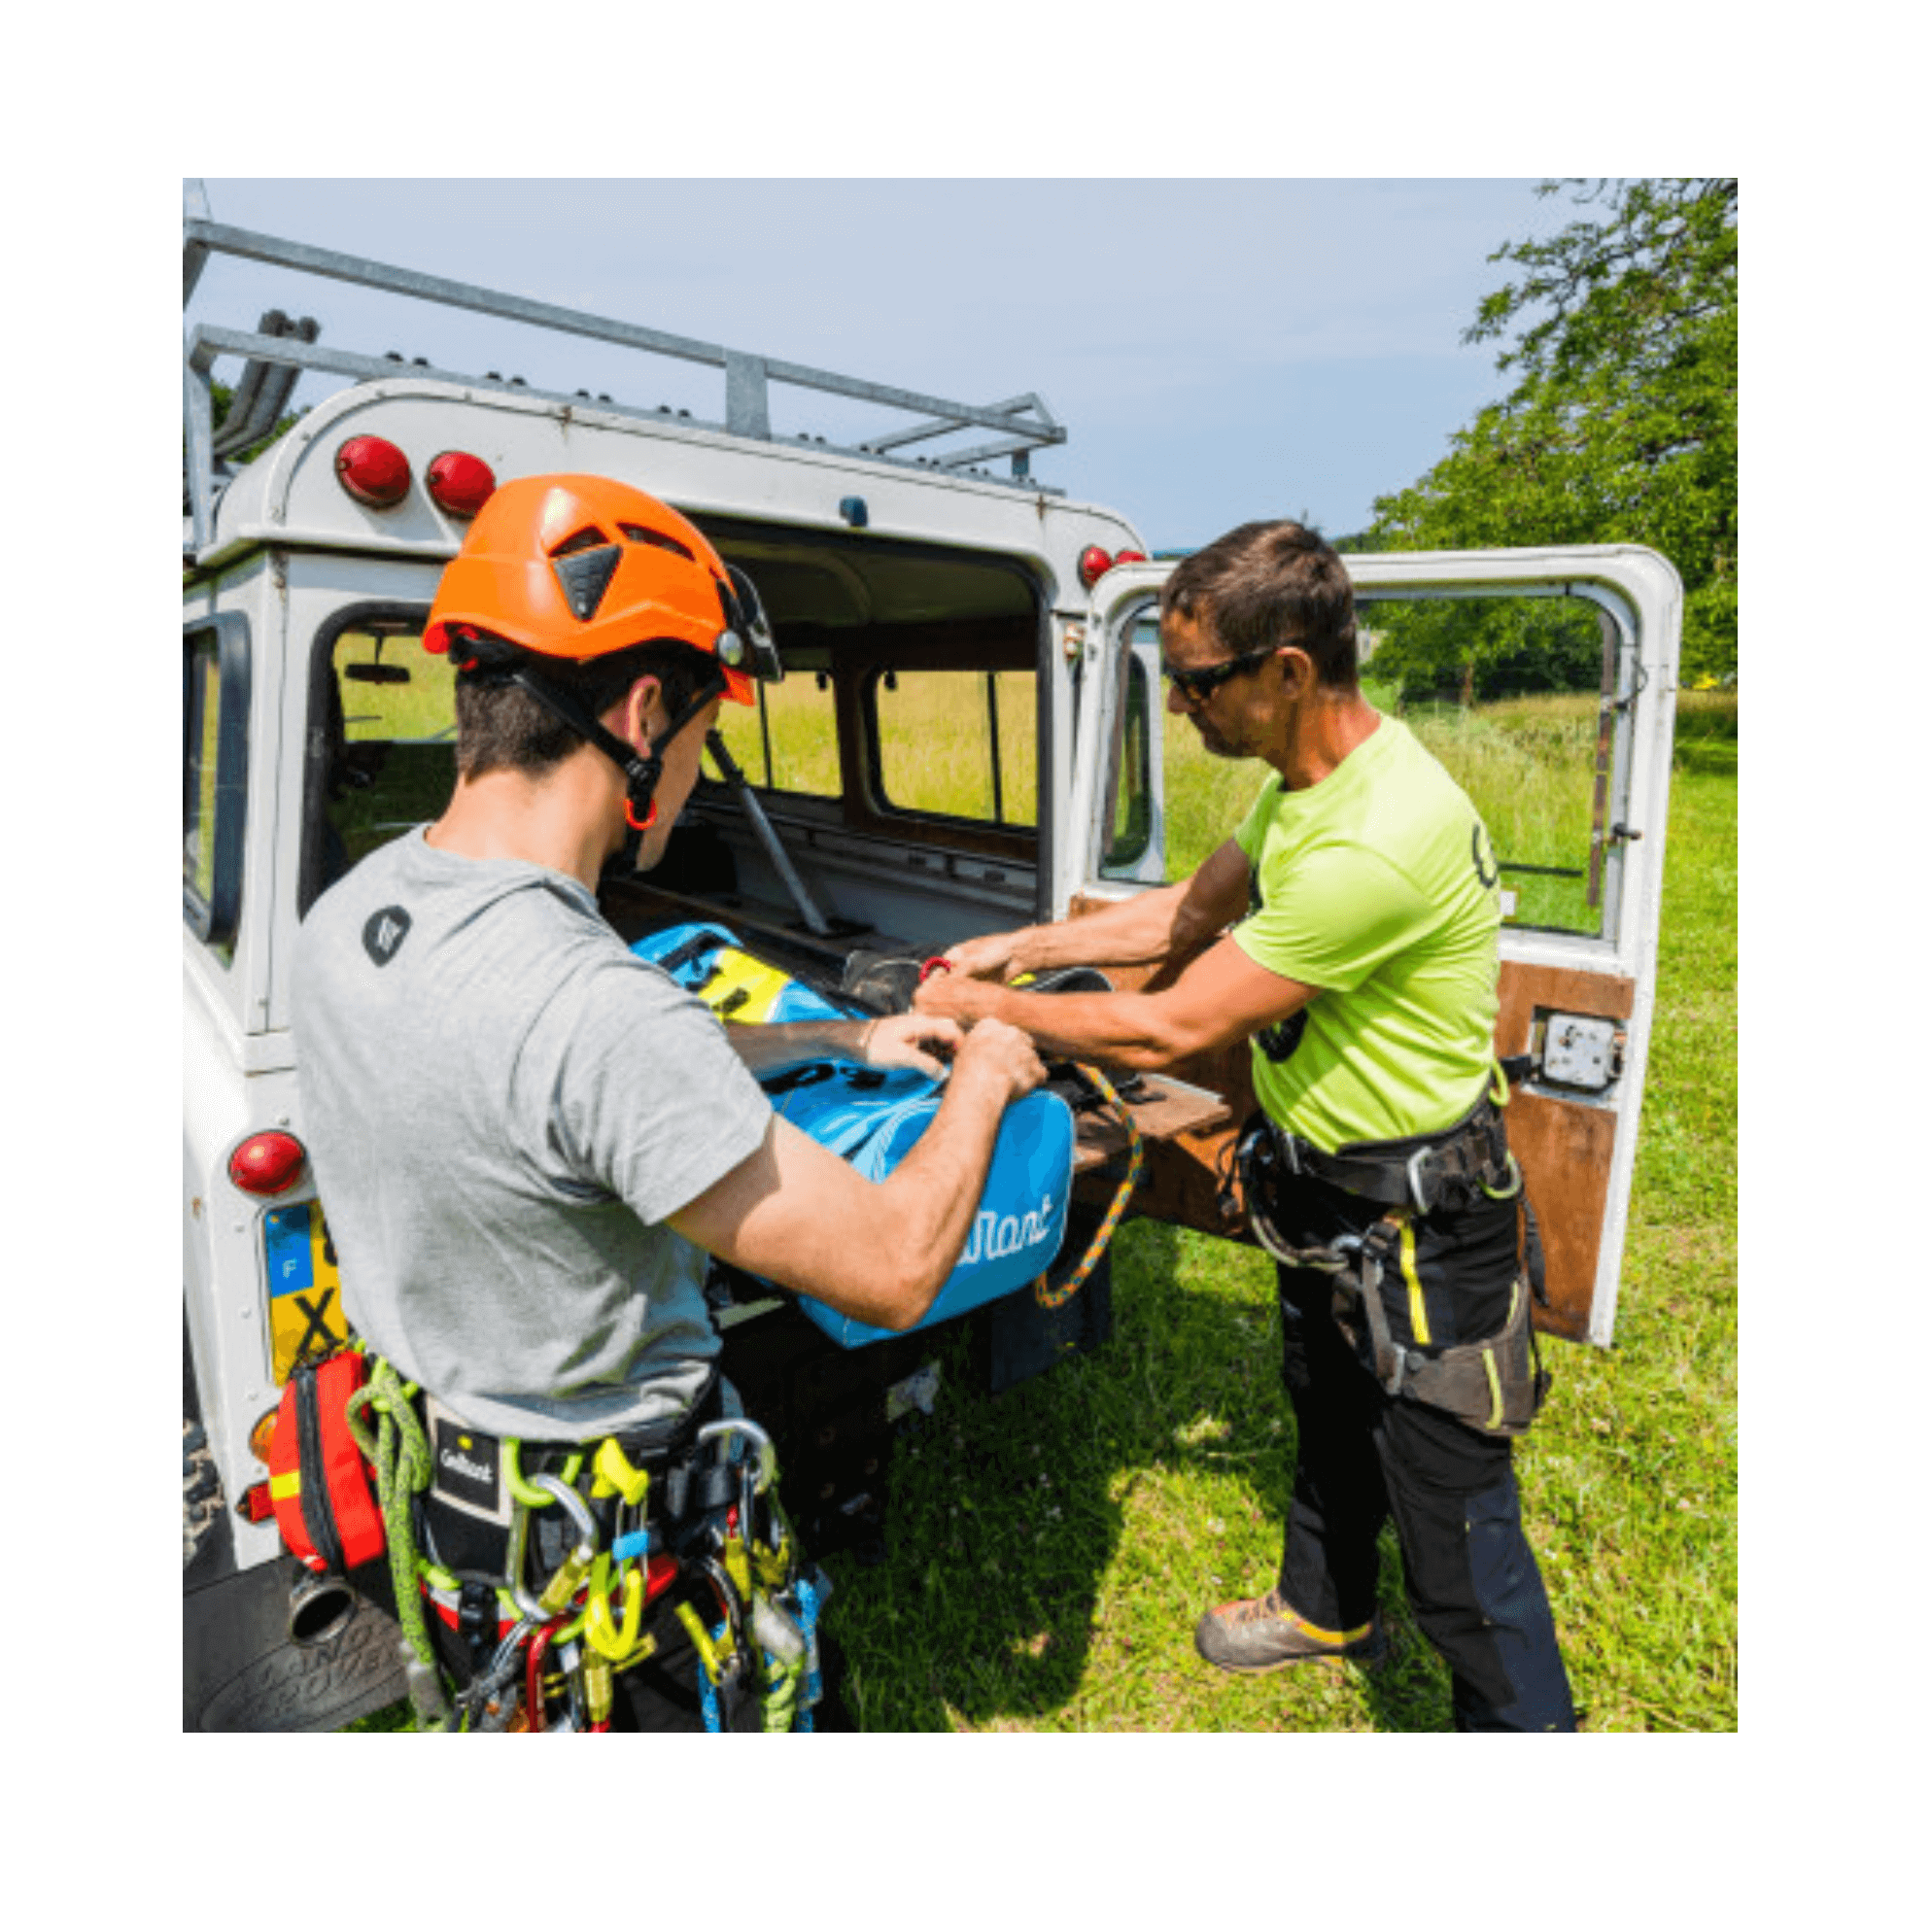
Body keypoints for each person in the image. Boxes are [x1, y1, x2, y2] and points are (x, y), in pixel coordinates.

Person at [293, 472, 1043, 1722]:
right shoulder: (590, 1006)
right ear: (644, 710)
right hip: (627, 1565)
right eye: (706, 733)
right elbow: (897, 1263)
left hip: (472, 1520)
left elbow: (594, 1073)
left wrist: (847, 1033)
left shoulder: (355, 909)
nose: (696, 771)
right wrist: (984, 1067)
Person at [915, 519, 1577, 1732]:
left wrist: (982, 1007)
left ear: (1287, 672)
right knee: (1325, 1411)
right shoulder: (1307, 789)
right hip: (1329, 1197)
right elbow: (1183, 913)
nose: (1177, 707)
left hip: (1421, 1229)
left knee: (1456, 1523)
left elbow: (1172, 1026)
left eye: (1194, 681)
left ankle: (1525, 1731)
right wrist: (1029, 944)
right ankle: (1325, 1606)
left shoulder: (1374, 840)